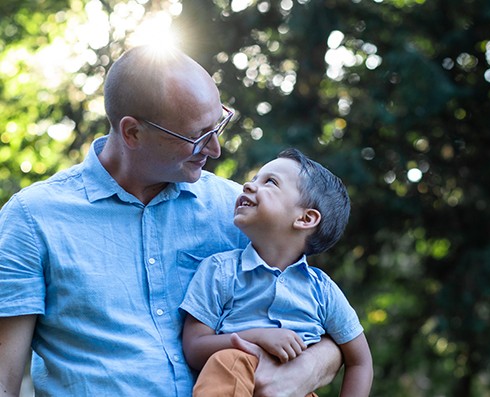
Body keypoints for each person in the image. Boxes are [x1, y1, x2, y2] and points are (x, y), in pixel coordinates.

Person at [0, 45, 342, 397]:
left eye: (219, 124)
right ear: (132, 133)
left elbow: (327, 330)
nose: (215, 150)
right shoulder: (32, 219)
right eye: (197, 137)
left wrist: (303, 373)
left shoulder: (239, 211)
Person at [181, 148, 374, 397]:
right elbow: (194, 347)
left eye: (269, 182)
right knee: (227, 361)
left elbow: (360, 361)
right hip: (234, 380)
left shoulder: (322, 290)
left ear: (305, 219)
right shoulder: (220, 270)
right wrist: (257, 337)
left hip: (297, 390)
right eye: (253, 179)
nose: (248, 186)